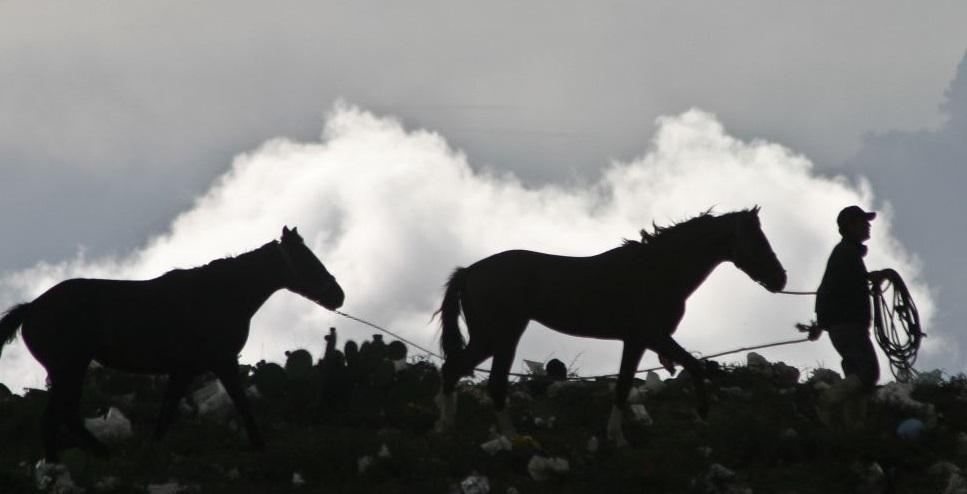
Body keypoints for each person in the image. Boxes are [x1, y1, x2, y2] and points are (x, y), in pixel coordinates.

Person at [809, 205, 886, 429]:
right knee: (868, 373)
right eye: (863, 221)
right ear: (851, 226)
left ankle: (853, 426)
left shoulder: (846, 253)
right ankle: (826, 401)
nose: (868, 225)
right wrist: (869, 279)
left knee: (855, 373)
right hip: (848, 325)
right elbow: (833, 288)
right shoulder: (846, 253)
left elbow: (831, 287)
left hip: (842, 327)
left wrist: (821, 324)